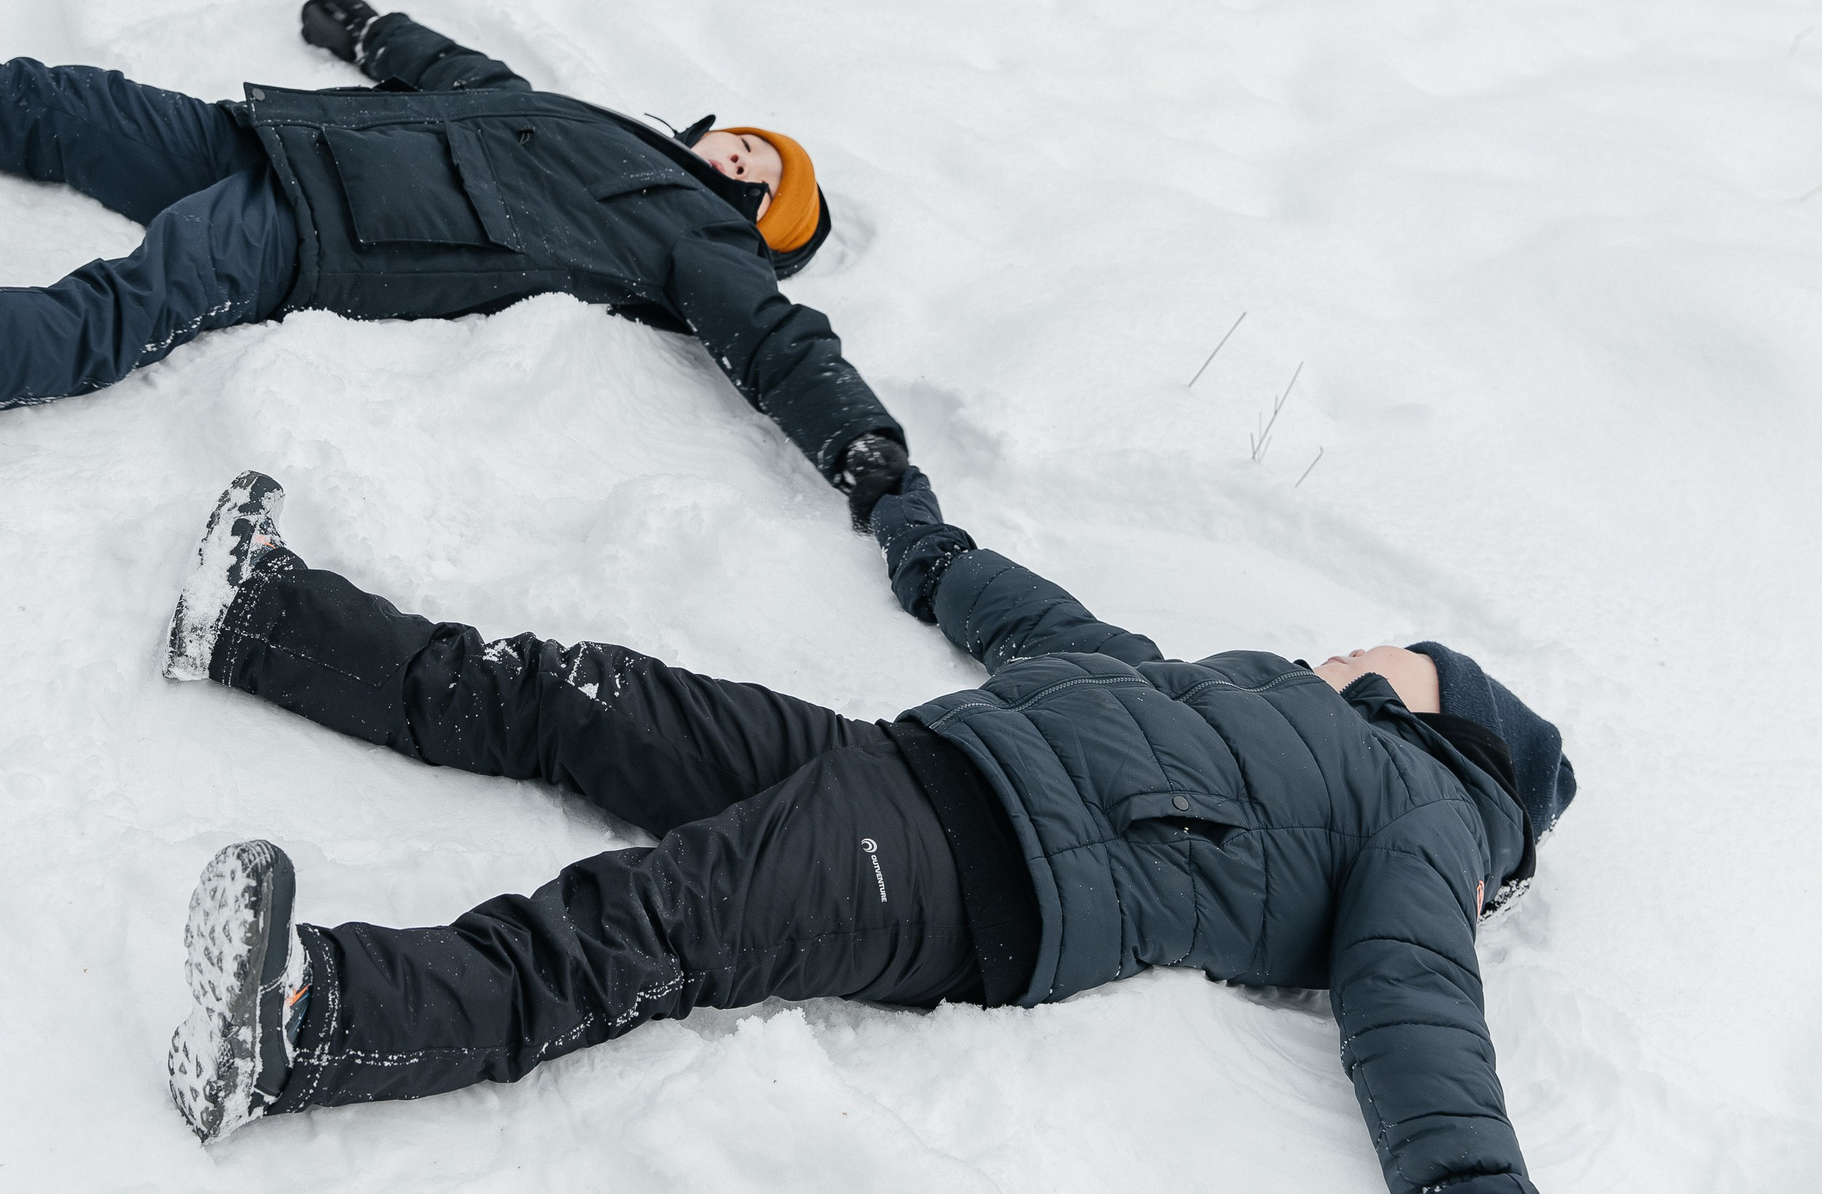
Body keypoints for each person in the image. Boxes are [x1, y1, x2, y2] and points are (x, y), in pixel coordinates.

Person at [160, 471, 1573, 1194]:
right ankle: (265, 620)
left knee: (659, 916)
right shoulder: (1242, 692)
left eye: (1383, 653)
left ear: (1433, 708)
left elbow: (1417, 1002)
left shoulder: (1425, 815)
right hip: (905, 759)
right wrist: (933, 547)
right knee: (589, 695)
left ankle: (310, 1023)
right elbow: (1064, 633)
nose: (1349, 647)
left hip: (978, 870)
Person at [0, 0, 908, 521]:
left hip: (338, 232)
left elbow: (779, 342)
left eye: (759, 174)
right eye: (748, 142)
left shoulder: (700, 242)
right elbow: (482, 86)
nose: (738, 155)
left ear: (758, 216)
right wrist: (377, 33)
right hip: (290, 142)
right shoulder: (613, 132)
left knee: (144, 292)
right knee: (63, 103)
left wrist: (857, 438)